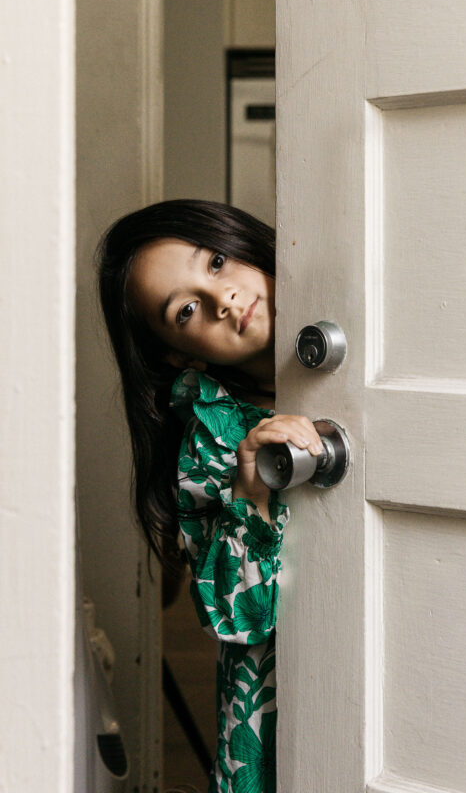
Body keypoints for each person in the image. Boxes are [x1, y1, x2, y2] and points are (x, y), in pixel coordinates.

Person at [97, 199, 321, 793]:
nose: (223, 298)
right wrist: (251, 487)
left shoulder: (353, 347)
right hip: (279, 709)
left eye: (218, 262)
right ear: (179, 354)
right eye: (188, 308)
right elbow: (236, 619)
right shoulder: (214, 439)